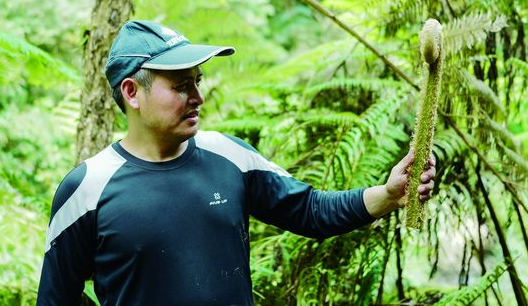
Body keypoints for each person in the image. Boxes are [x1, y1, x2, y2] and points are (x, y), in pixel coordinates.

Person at [37, 20, 436, 306]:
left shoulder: (230, 156)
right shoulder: (88, 187)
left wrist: (386, 195)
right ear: (131, 92)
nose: (198, 97)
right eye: (180, 85)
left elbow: (310, 211)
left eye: (198, 80)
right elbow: (57, 298)